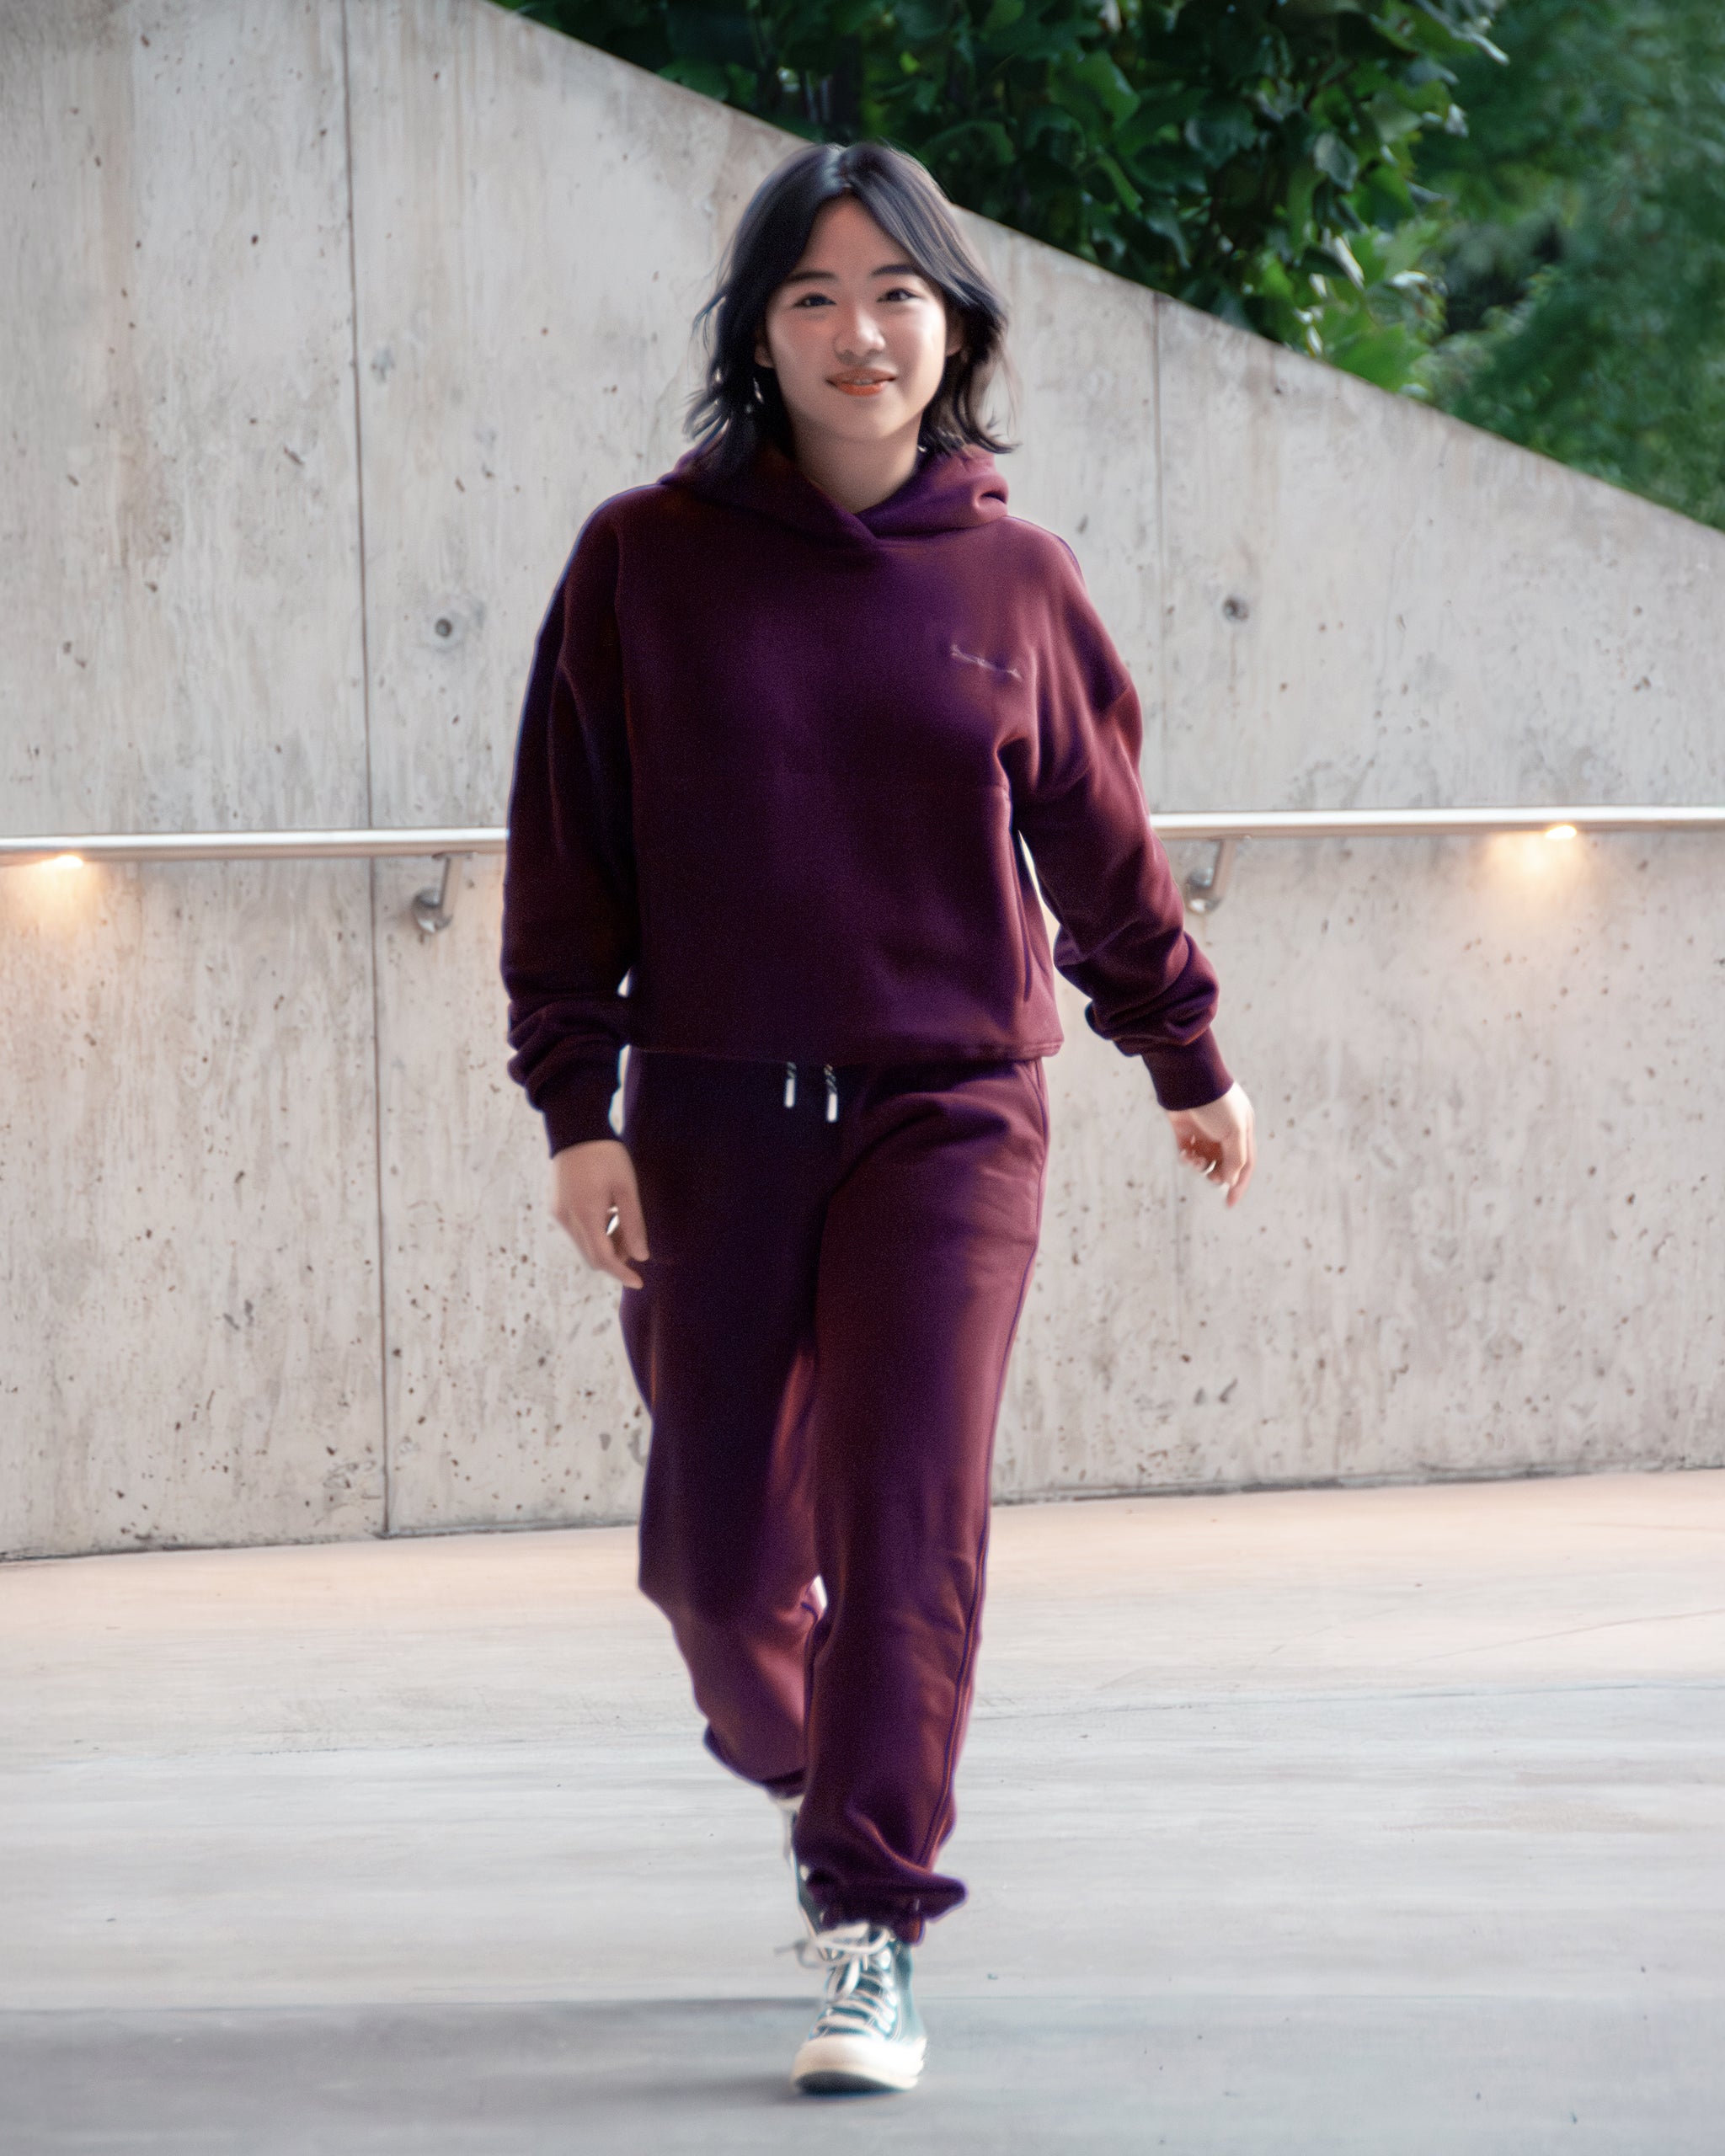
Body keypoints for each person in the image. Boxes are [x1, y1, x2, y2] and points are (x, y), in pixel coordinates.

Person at [500, 138, 1254, 2099]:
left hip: (950, 1116)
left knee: (908, 1530)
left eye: (898, 292)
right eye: (817, 295)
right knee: (713, 1562)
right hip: (710, 1121)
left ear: (953, 324)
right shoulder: (638, 561)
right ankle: (807, 1765)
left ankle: (871, 1917)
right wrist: (575, 1106)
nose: (862, 331)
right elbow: (565, 857)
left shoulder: (1015, 578)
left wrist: (1184, 1053)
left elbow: (1102, 844)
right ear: (762, 332)